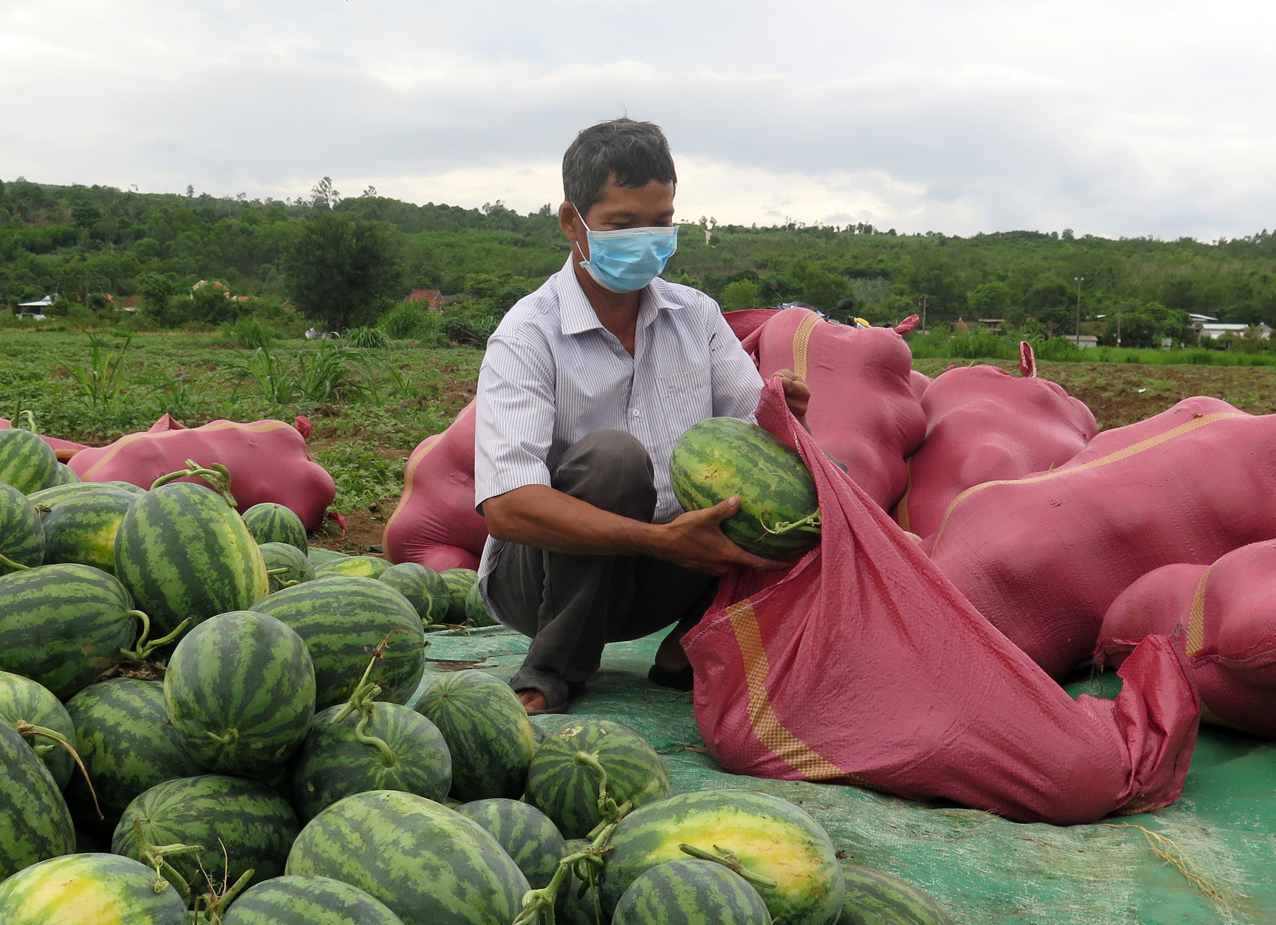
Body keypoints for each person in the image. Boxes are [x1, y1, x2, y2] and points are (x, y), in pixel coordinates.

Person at [474, 117, 811, 714]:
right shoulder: (528, 333)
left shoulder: (697, 317)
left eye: (661, 221)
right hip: (546, 586)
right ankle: (552, 668)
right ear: (572, 222)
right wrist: (660, 541)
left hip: (662, 579)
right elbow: (505, 505)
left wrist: (787, 415)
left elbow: (756, 438)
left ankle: (688, 648)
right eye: (622, 225)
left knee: (804, 497)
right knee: (614, 459)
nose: (646, 239)